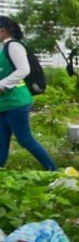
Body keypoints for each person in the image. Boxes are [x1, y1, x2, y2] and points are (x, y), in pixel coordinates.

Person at [0, 16, 56, 171]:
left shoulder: (13, 46)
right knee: (1, 142)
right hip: (4, 102)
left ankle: (53, 169)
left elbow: (24, 69)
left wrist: (2, 84)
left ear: (3, 30)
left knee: (24, 139)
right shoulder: (2, 48)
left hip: (16, 101)